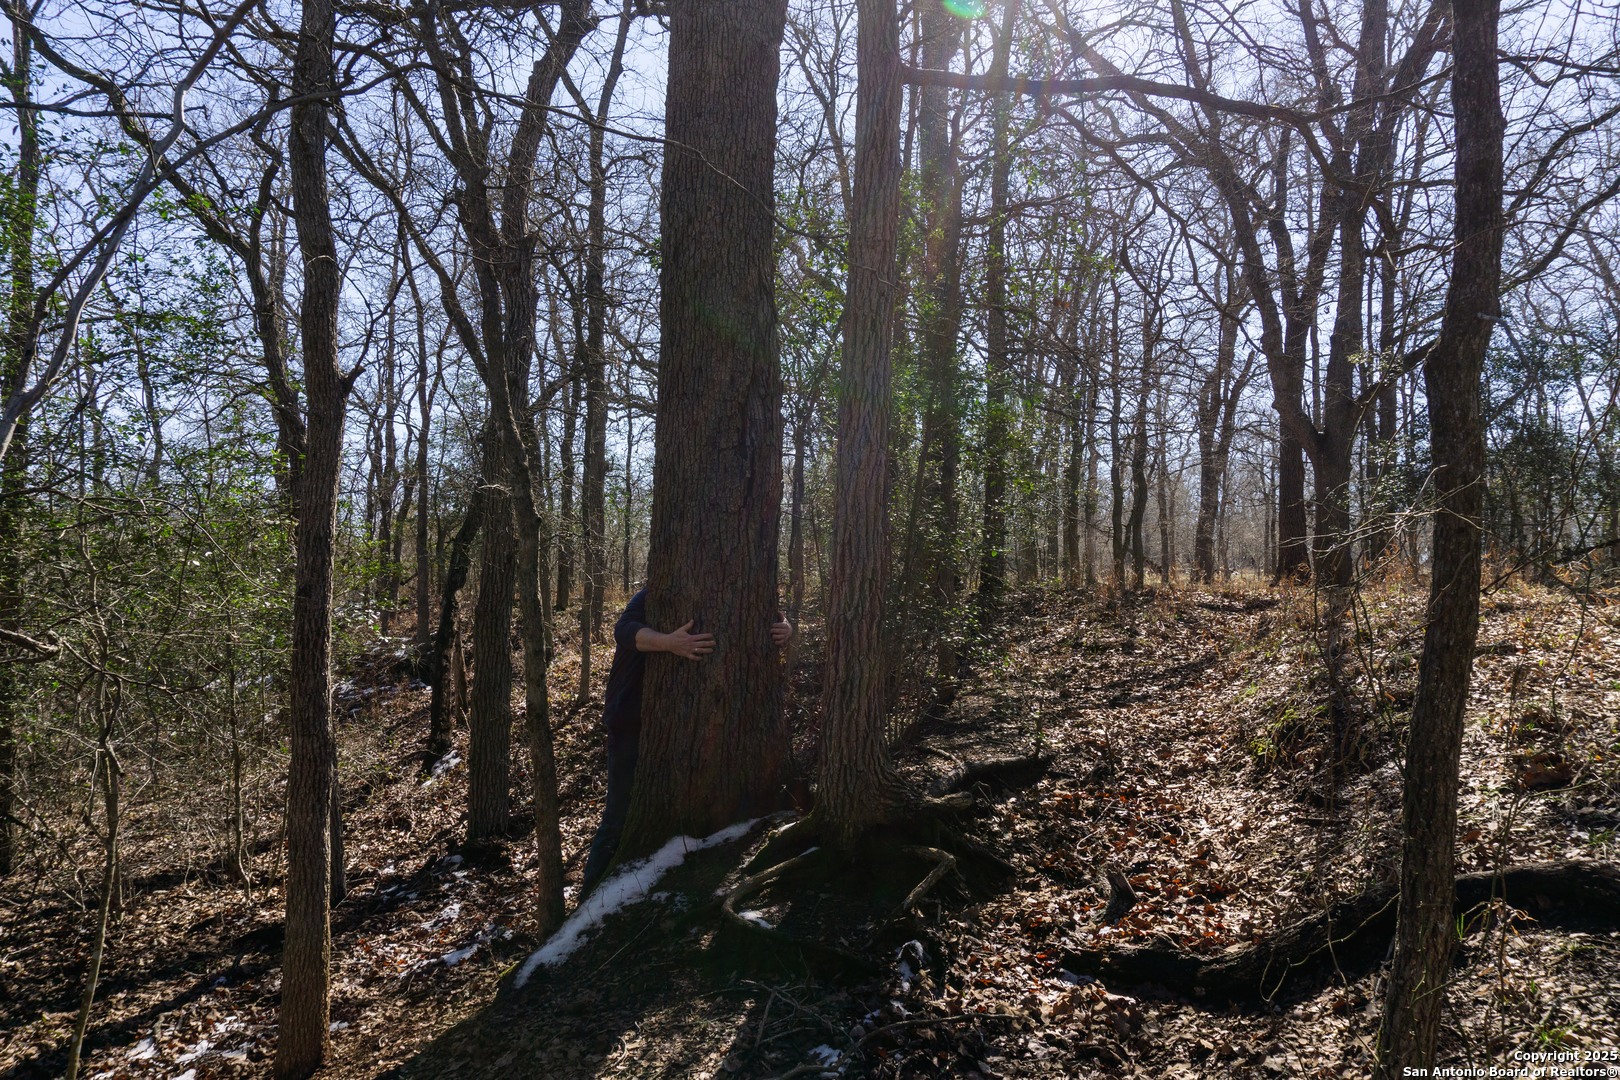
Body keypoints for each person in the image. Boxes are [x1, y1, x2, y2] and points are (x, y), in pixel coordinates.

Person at [581, 588, 792, 892]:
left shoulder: (735, 594)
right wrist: (670, 642)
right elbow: (623, 631)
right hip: (628, 719)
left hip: (672, 726)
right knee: (619, 813)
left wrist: (787, 628)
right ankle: (590, 899)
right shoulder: (649, 597)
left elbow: (779, 621)